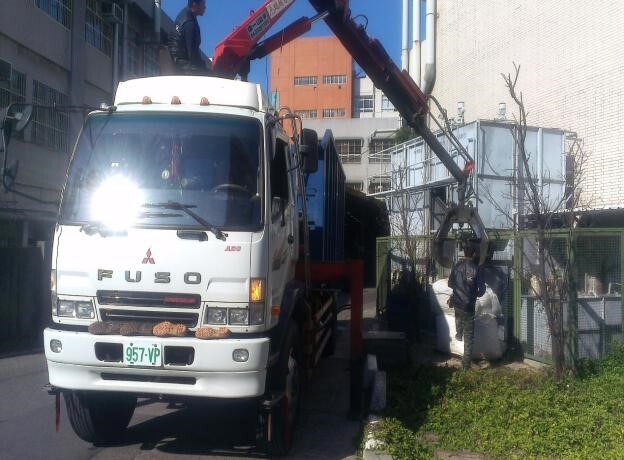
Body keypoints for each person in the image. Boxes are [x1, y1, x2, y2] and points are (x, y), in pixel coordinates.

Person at [448, 239, 486, 370]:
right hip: (468, 306)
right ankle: (465, 367)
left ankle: (459, 332)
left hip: (457, 303)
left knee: (459, 317)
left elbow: (450, 284)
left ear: (463, 252)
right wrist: (474, 294)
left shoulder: (457, 267)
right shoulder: (477, 269)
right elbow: (481, 291)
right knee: (469, 338)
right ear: (474, 254)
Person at [169, 0, 211, 75]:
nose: (205, 7)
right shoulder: (189, 23)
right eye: (203, 4)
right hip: (182, 65)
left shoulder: (185, 14)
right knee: (214, 76)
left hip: (178, 61)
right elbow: (192, 55)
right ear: (195, 4)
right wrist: (204, 68)